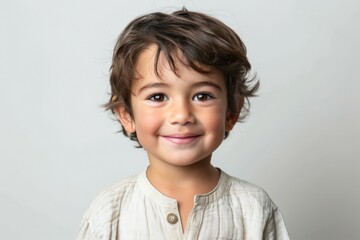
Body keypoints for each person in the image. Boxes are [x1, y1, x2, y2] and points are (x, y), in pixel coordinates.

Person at [77, 8, 290, 240]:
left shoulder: (254, 210)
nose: (182, 115)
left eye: (202, 96)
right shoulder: (109, 214)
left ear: (231, 112)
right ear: (126, 116)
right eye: (158, 97)